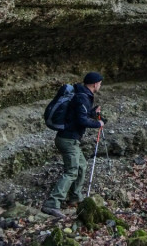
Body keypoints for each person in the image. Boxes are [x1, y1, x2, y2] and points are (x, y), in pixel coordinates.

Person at [41, 72, 105, 218]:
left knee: (81, 165)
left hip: (70, 139)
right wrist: (98, 123)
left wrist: (92, 112)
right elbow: (82, 120)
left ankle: (75, 198)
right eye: (100, 83)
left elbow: (77, 115)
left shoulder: (82, 95)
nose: (100, 86)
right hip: (68, 140)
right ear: (95, 84)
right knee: (72, 171)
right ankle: (52, 203)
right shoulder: (82, 97)